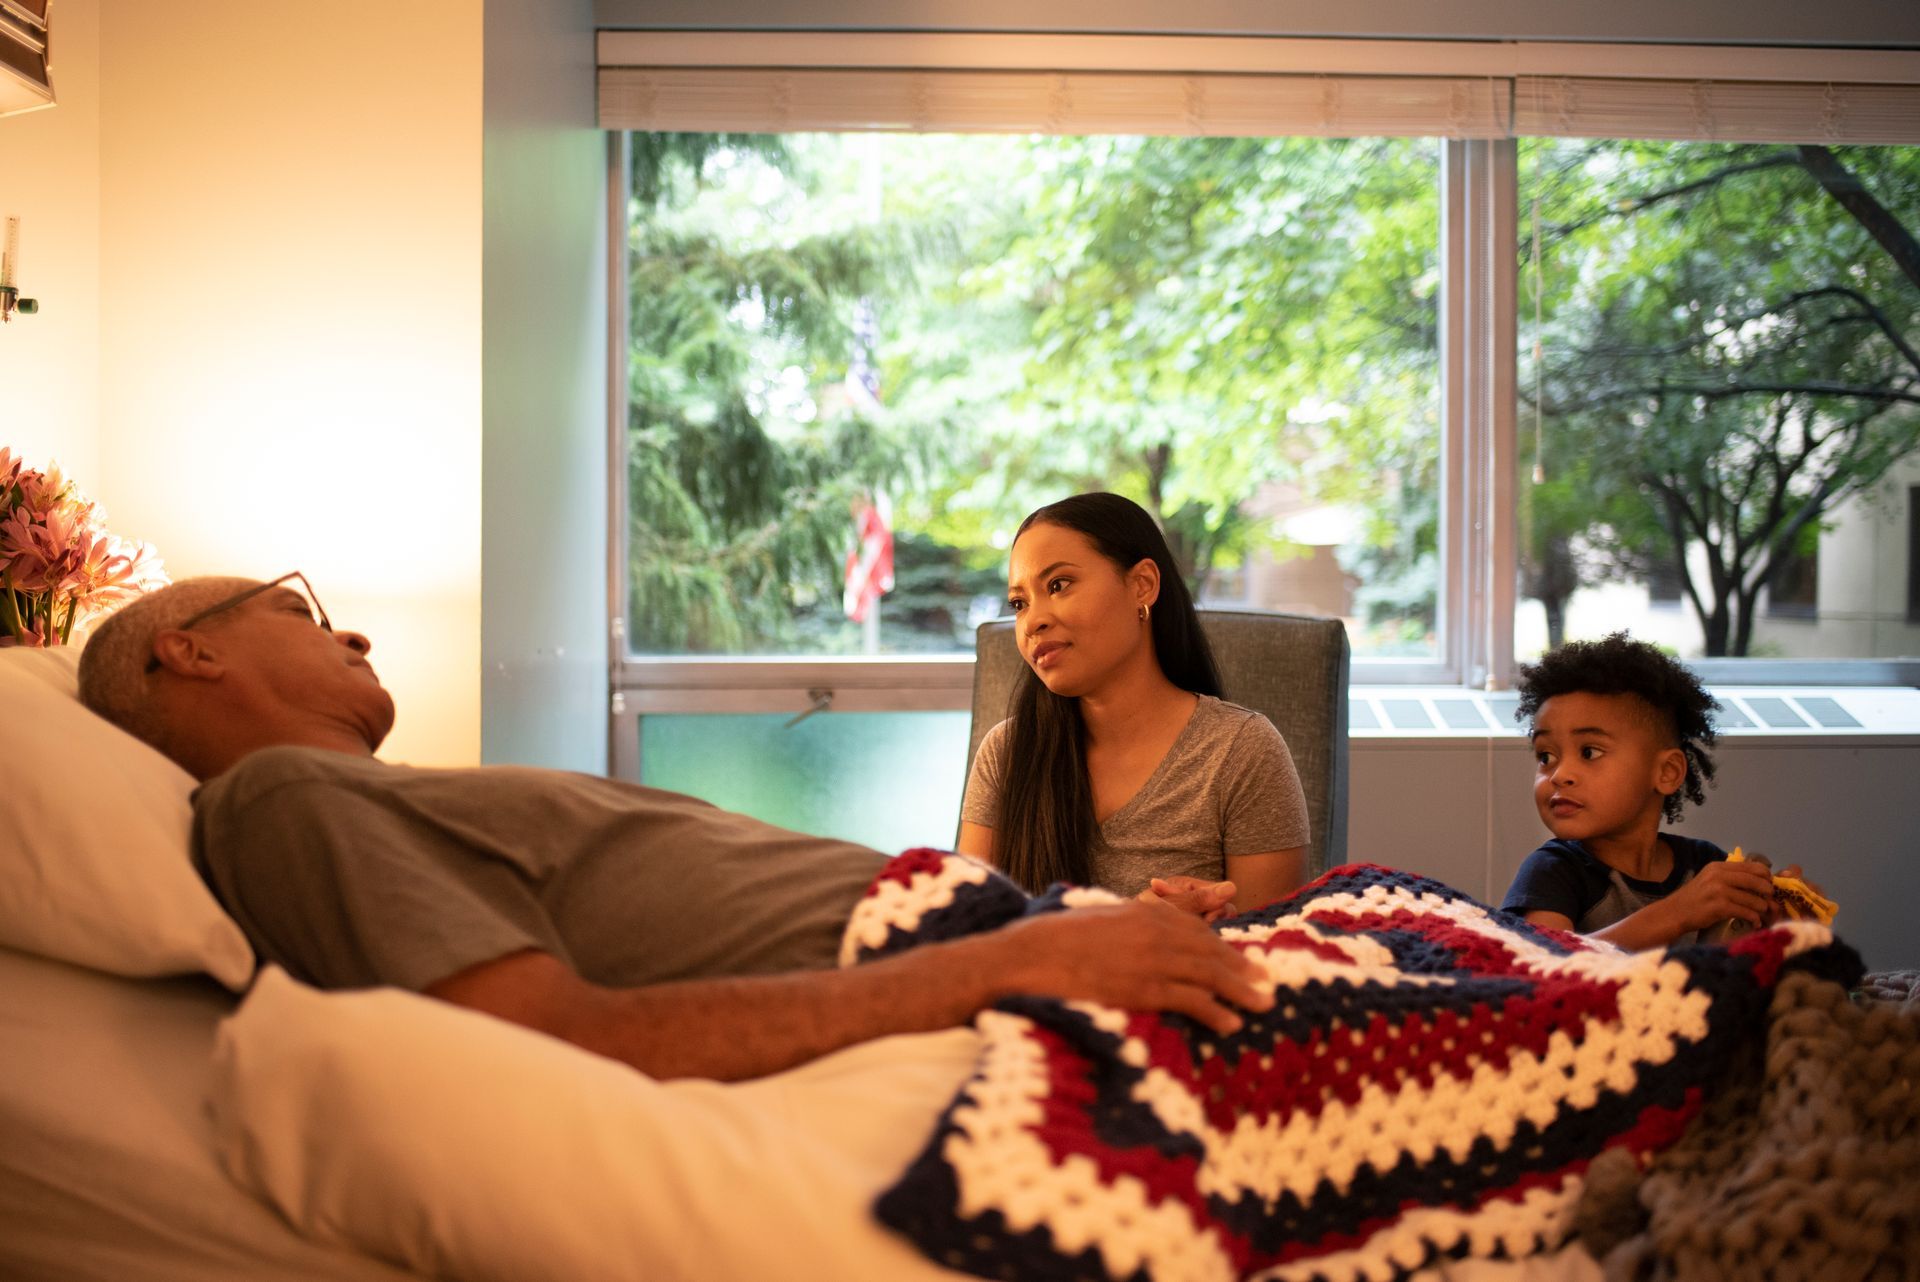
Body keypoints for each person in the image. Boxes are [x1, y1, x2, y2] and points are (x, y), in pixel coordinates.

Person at [77, 572, 1274, 1083]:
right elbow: (560, 1039)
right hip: (971, 966)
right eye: (300, 609)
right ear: (191, 651)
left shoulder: (379, 802)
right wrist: (1027, 957)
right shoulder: (281, 801)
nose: (355, 635)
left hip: (1001, 938)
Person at [955, 492, 1310, 917]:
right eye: (1019, 603)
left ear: (1142, 584)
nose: (1033, 621)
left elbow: (1273, 956)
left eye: (1058, 585)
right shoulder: (1006, 755)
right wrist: (1130, 931)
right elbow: (964, 940)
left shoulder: (1241, 752)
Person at [1500, 631, 1816, 949]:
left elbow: (1735, 969)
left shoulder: (1705, 865)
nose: (1560, 774)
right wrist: (1677, 913)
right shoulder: (1551, 873)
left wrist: (1784, 932)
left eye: (1589, 752)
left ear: (1667, 772)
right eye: (1546, 756)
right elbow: (1541, 967)